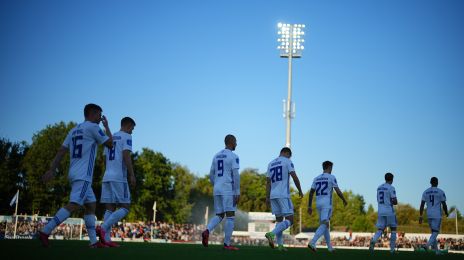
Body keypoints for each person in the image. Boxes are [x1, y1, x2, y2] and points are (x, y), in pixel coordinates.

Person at [38, 103, 113, 248]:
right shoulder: (93, 127)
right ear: (92, 113)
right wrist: (107, 126)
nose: (100, 117)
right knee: (74, 205)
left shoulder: (73, 130)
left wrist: (51, 169)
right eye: (99, 114)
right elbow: (110, 144)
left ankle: (93, 242)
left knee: (91, 205)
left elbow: (61, 151)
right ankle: (45, 231)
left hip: (73, 173)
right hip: (83, 175)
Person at [97, 117, 136, 247]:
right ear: (129, 126)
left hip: (107, 176)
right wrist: (131, 174)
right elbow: (126, 155)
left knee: (110, 208)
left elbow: (103, 158)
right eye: (133, 129)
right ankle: (103, 228)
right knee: (125, 207)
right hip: (119, 177)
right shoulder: (127, 137)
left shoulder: (111, 137)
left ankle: (106, 240)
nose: (132, 132)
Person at [201, 134, 240, 250]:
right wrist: (237, 191)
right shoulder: (234, 156)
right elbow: (236, 175)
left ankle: (207, 230)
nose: (237, 144)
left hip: (217, 188)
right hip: (228, 188)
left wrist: (216, 184)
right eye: (236, 142)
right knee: (231, 216)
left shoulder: (216, 155)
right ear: (231, 142)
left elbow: (211, 174)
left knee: (219, 215)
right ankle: (226, 244)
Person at [264, 147, 303, 251]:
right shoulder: (287, 161)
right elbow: (294, 177)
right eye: (289, 155)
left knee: (279, 220)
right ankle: (271, 234)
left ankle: (280, 245)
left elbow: (268, 182)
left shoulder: (270, 163)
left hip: (273, 195)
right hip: (283, 194)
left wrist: (267, 197)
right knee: (290, 220)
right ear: (286, 153)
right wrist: (300, 190)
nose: (290, 157)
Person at [307, 161, 347, 252]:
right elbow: (337, 190)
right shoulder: (331, 177)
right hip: (326, 204)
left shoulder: (316, 178)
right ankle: (313, 242)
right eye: (331, 167)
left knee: (325, 225)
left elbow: (311, 192)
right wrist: (344, 199)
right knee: (325, 224)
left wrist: (309, 206)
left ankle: (329, 247)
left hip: (318, 204)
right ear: (329, 167)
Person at [369, 172, 398, 253]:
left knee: (380, 229)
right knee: (393, 229)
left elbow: (377, 199)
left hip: (380, 211)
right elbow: (395, 201)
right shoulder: (391, 188)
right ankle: (392, 250)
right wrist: (394, 201)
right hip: (389, 210)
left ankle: (373, 240)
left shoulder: (379, 187)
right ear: (392, 179)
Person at [419, 177, 448, 255]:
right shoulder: (440, 191)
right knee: (436, 232)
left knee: (433, 232)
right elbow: (444, 204)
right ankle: (427, 245)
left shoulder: (425, 192)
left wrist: (421, 216)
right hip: (437, 214)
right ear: (437, 182)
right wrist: (446, 212)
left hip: (428, 214)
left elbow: (422, 205)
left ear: (430, 182)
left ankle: (437, 251)